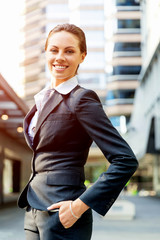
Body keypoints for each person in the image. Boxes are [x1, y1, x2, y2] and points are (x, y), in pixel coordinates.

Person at [18, 23, 138, 240]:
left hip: (64, 213)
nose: (60, 57)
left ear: (82, 56)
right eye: (54, 50)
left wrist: (79, 206)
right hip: (33, 208)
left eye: (69, 51)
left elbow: (125, 160)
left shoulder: (81, 99)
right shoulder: (42, 98)